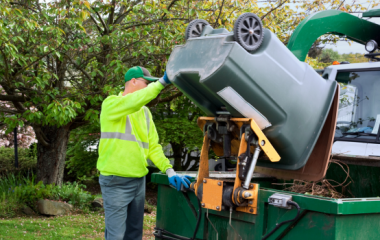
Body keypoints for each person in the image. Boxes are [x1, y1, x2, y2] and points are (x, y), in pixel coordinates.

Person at [97, 66, 191, 240]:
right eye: (146, 83)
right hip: (115, 181)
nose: (149, 87)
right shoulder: (111, 104)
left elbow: (153, 147)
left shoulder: (145, 113)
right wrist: (161, 83)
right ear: (133, 81)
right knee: (116, 236)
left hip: (138, 182)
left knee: (134, 235)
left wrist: (169, 170)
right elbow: (133, 101)